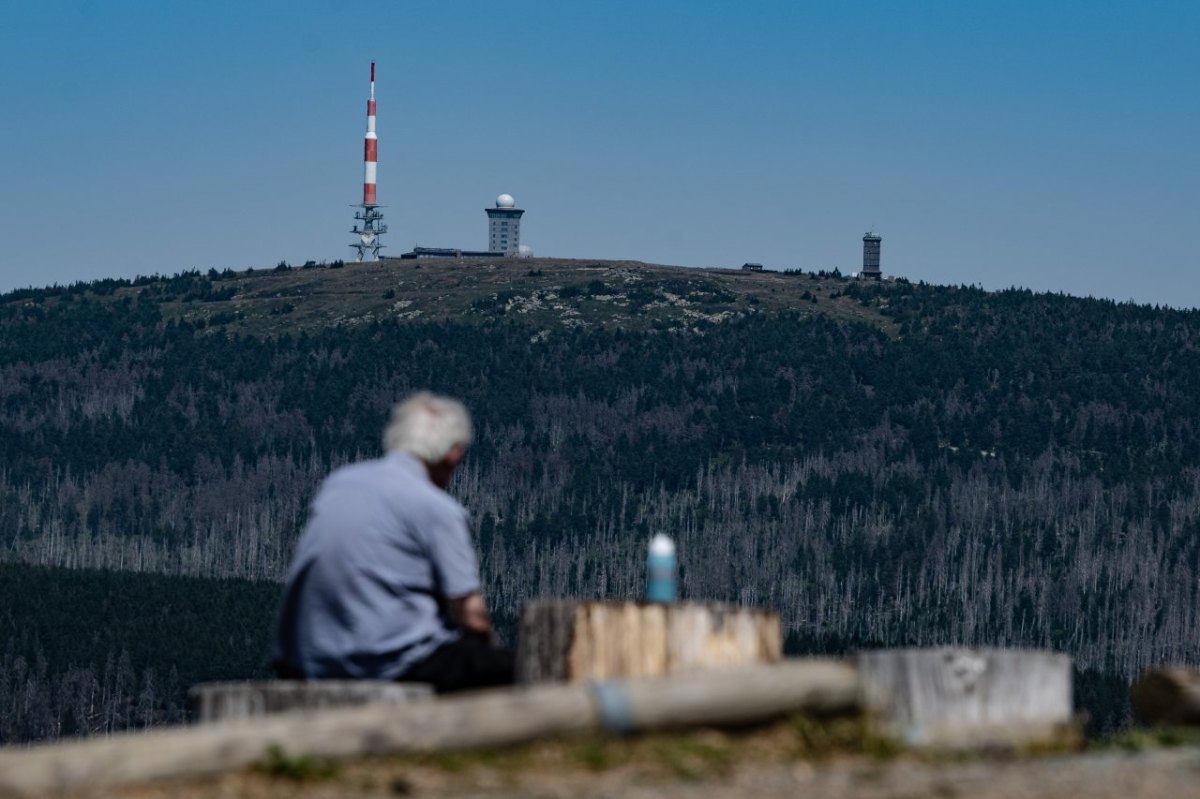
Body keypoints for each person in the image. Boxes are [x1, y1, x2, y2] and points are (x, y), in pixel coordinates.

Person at [272, 391, 514, 692]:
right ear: (454, 455)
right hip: (391, 662)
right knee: (507, 671)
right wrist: (491, 652)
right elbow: (471, 613)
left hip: (313, 658)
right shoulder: (436, 508)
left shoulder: (339, 483)